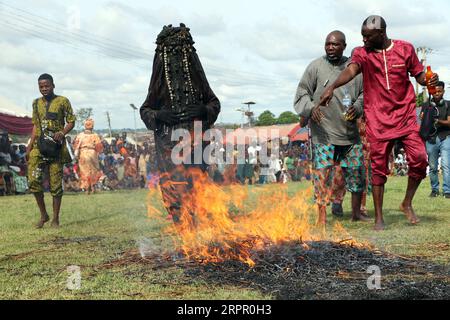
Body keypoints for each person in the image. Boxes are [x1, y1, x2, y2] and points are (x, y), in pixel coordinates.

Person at [319, 16, 439, 230]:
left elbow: (419, 74)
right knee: (378, 169)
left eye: (367, 36)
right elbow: (351, 70)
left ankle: (407, 203)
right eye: (362, 35)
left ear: (381, 34)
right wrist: (332, 87)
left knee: (420, 159)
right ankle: (379, 218)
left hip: (405, 116)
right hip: (378, 119)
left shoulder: (405, 49)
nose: (363, 39)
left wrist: (428, 80)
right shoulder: (361, 53)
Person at [140, 24, 220, 223]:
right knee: (174, 184)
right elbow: (146, 110)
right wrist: (160, 115)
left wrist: (203, 110)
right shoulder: (160, 80)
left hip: (196, 141)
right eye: (171, 52)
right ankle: (180, 221)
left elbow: (214, 103)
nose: (177, 57)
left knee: (195, 182)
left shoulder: (197, 79)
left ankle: (195, 219)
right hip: (169, 143)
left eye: (182, 51)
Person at [294, 30, 369, 225]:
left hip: (350, 134)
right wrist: (311, 109)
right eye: (327, 44)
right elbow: (301, 93)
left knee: (356, 174)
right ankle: (322, 216)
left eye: (335, 44)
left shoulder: (354, 69)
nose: (330, 48)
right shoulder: (315, 67)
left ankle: (355, 214)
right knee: (322, 174)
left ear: (344, 46)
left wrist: (358, 107)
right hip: (324, 134)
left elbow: (364, 94)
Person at [26, 74, 76, 228]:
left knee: (55, 185)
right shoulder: (35, 103)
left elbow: (72, 121)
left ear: (53, 85)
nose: (44, 89)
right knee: (33, 181)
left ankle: (55, 218)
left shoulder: (63, 101)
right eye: (41, 86)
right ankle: (44, 215)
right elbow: (35, 125)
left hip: (56, 149)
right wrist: (29, 146)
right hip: (38, 148)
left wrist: (62, 132)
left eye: (47, 85)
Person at [420, 82, 450, 198]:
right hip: (431, 139)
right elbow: (422, 121)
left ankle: (447, 191)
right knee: (432, 167)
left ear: (443, 91)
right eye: (435, 91)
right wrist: (423, 119)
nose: (437, 93)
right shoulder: (426, 105)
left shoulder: (448, 104)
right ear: (432, 91)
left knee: (446, 165)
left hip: (445, 137)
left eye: (440, 91)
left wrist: (437, 121)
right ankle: (435, 190)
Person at [73, 119, 104, 194]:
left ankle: (87, 189)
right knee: (93, 171)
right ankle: (93, 187)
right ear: (92, 126)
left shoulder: (80, 135)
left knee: (84, 172)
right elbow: (99, 147)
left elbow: (75, 145)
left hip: (83, 154)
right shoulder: (95, 135)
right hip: (92, 154)